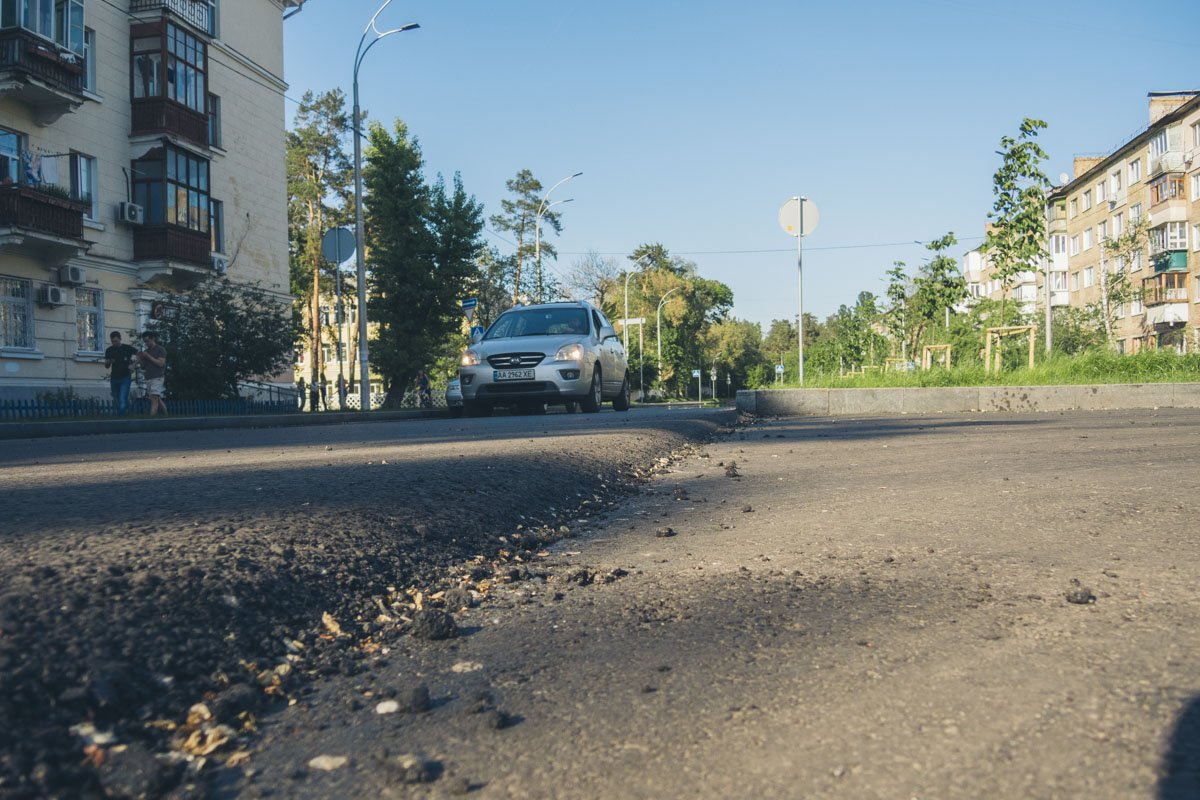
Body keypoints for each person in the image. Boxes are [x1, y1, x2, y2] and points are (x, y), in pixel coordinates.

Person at [103, 331, 136, 415]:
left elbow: (140, 354)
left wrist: (133, 365)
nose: (114, 343)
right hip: (114, 378)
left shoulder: (127, 348)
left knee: (122, 397)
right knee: (116, 398)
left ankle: (121, 416)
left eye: (116, 341)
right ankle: (126, 413)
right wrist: (109, 362)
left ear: (120, 339)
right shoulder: (109, 350)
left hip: (125, 377)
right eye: (113, 341)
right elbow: (106, 366)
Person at [135, 331, 168, 416]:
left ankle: (151, 418)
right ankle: (166, 415)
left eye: (147, 341)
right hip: (148, 377)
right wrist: (140, 358)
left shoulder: (160, 349)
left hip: (158, 377)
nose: (146, 343)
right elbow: (143, 367)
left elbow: (161, 363)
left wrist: (148, 356)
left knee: (153, 398)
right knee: (157, 398)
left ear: (153, 339)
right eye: (145, 341)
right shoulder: (146, 351)